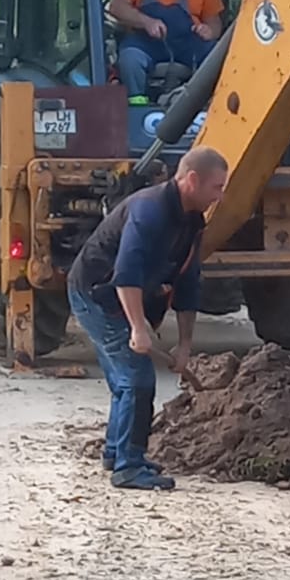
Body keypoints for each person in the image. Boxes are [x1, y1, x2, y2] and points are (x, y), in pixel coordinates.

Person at [67, 146, 230, 491]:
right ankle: (128, 466)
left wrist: (185, 345)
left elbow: (187, 282)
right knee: (137, 380)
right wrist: (138, 329)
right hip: (95, 294)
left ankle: (116, 451)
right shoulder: (149, 211)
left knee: (125, 381)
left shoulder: (191, 222)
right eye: (217, 187)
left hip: (122, 297)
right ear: (192, 180)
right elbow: (126, 275)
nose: (222, 195)